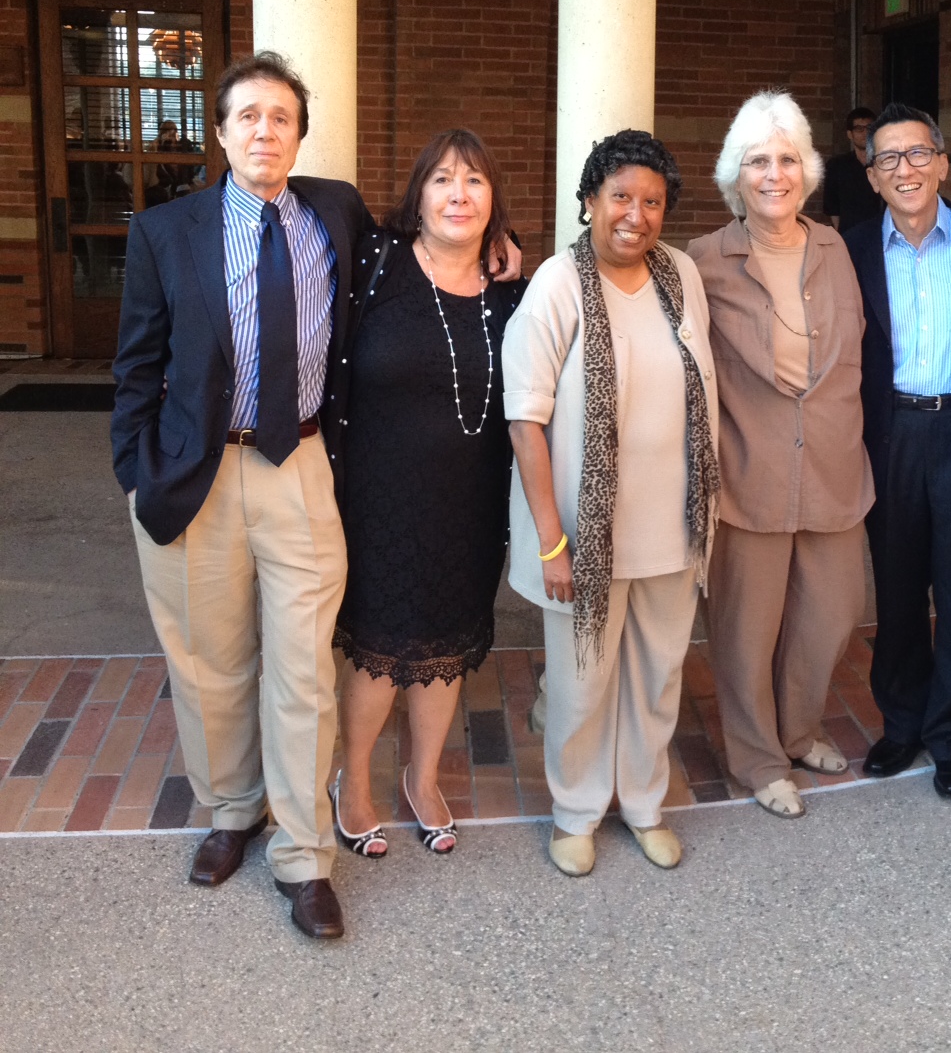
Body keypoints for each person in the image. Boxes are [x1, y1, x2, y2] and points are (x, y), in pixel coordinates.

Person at [109, 50, 519, 939]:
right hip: (194, 473)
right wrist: (136, 471)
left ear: (300, 133)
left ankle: (303, 855)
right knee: (212, 662)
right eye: (248, 116)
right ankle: (232, 812)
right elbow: (135, 366)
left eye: (282, 117)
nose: (265, 130)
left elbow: (428, 256)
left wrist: (492, 246)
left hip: (297, 466)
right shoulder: (167, 232)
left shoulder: (335, 213)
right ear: (221, 132)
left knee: (302, 668)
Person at [506, 129, 719, 878]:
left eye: (652, 201)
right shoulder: (557, 286)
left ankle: (643, 803)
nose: (636, 214)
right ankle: (575, 812)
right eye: (620, 196)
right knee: (581, 682)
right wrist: (553, 540)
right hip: (587, 539)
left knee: (658, 676)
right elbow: (525, 419)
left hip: (673, 527)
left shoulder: (681, 275)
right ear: (590, 201)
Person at [330, 129, 525, 859]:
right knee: (380, 647)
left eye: (475, 182)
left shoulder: (512, 292)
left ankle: (422, 776)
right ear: (418, 196)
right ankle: (352, 782)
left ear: (493, 203)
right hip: (378, 500)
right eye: (442, 179)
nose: (458, 195)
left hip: (470, 503)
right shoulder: (377, 266)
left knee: (445, 641)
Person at [688, 92, 874, 820]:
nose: (775, 174)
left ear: (809, 169)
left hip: (833, 466)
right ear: (736, 176)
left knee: (831, 614)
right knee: (744, 630)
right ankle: (759, 756)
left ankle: (799, 729)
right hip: (748, 472)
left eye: (788, 158)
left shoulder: (838, 247)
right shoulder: (703, 260)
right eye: (758, 161)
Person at [842, 103, 951, 797]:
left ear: (942, 163)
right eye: (887, 159)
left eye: (917, 155)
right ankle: (903, 722)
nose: (904, 170)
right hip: (890, 434)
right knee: (900, 586)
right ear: (871, 175)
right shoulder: (846, 250)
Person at [820, 105, 883, 233]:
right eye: (859, 129)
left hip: (882, 234)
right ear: (850, 134)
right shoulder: (836, 166)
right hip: (849, 235)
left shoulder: (885, 163)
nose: (865, 133)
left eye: (869, 128)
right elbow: (832, 207)